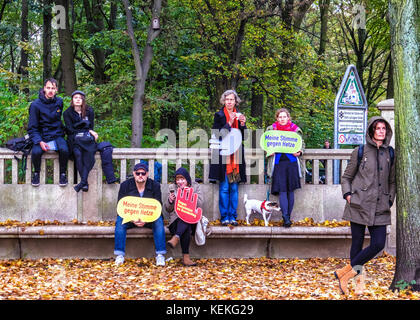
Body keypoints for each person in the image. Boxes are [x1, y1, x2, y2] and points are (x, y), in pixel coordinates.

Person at [334, 116, 395, 296]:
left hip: (380, 206)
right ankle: (357, 284)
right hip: (358, 205)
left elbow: (392, 181)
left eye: (384, 129)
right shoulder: (359, 151)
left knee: (378, 243)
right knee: (357, 244)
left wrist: (390, 199)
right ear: (371, 131)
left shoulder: (390, 153)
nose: (381, 131)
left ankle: (343, 273)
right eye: (378, 128)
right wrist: (348, 195)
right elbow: (346, 177)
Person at [114, 162, 167, 266]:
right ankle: (119, 255)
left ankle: (160, 255)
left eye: (143, 173)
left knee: (159, 221)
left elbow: (158, 206)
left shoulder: (155, 185)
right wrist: (133, 219)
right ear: (134, 173)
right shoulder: (125, 185)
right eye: (138, 173)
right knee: (120, 221)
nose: (140, 176)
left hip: (149, 218)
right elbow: (121, 205)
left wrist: (146, 219)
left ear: (147, 174)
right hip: (130, 217)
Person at [209, 89, 247, 226]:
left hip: (236, 157)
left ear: (235, 101)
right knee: (224, 187)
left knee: (234, 188)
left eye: (232, 99)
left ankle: (233, 216)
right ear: (224, 101)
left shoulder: (239, 115)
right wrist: (229, 123)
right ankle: (224, 217)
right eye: (227, 99)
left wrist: (242, 124)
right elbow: (218, 135)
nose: (229, 102)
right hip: (223, 156)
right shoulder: (218, 115)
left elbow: (245, 137)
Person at [27, 78, 69, 187]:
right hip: (41, 135)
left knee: (64, 150)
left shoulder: (59, 102)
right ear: (44, 88)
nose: (50, 90)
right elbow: (32, 127)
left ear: (56, 90)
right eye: (48, 88)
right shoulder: (35, 105)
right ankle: (36, 173)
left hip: (56, 134)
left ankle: (63, 174)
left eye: (53, 88)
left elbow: (58, 120)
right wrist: (39, 141)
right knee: (36, 152)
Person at [267, 108, 304, 228]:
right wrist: (269, 151)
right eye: (280, 117)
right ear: (277, 118)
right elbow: (266, 143)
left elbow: (302, 144)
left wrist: (300, 151)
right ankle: (285, 217)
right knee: (282, 190)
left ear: (288, 118)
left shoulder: (295, 130)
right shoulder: (271, 130)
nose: (282, 119)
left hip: (292, 162)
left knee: (290, 191)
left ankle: (288, 216)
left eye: (284, 117)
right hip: (278, 163)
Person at [165, 167, 203, 266]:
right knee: (186, 225)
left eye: (182, 179)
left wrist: (188, 194)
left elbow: (200, 204)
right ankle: (186, 258)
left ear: (187, 179)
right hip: (175, 221)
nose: (180, 182)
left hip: (192, 218)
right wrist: (170, 201)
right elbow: (168, 209)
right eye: (177, 179)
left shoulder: (195, 187)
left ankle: (176, 238)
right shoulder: (172, 188)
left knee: (187, 219)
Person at [63, 90, 98, 192]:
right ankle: (85, 182)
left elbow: (90, 126)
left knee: (88, 155)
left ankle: (83, 182)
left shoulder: (89, 111)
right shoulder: (67, 113)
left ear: (83, 100)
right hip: (74, 138)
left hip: (87, 138)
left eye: (80, 98)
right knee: (77, 154)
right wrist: (82, 124)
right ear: (72, 100)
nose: (78, 100)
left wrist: (91, 131)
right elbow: (69, 130)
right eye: (75, 98)